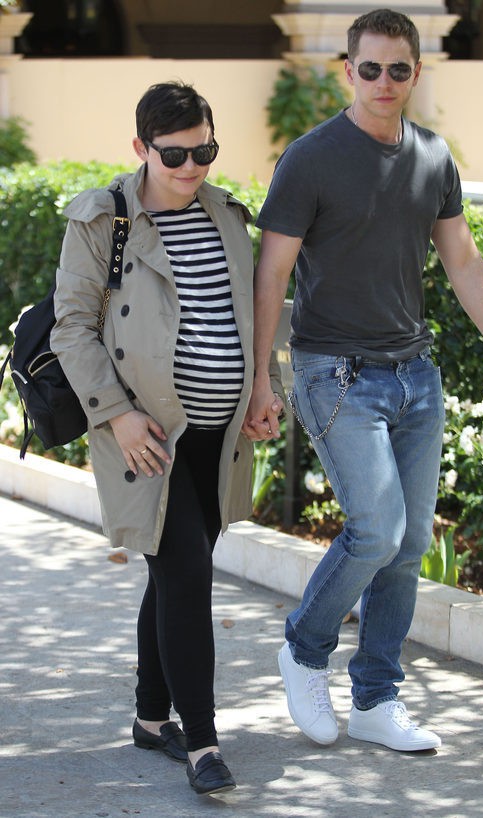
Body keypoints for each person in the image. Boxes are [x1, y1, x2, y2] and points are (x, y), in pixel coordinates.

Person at [243, 8, 483, 753]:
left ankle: (376, 699)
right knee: (377, 528)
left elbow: (464, 264)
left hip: (414, 373)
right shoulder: (312, 157)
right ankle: (303, 646)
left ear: (417, 72)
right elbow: (272, 274)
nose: (384, 82)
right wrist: (263, 378)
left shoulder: (432, 156)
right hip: (336, 373)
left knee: (411, 539)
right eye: (369, 68)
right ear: (347, 71)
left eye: (398, 69)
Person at [51, 82, 283, 795]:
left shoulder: (227, 214)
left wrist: (262, 387)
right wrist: (117, 416)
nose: (191, 167)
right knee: (186, 570)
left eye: (204, 151)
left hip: (220, 433)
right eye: (174, 154)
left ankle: (152, 721)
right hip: (147, 434)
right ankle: (203, 744)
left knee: (172, 567)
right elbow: (71, 327)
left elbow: (249, 314)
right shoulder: (104, 218)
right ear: (141, 148)